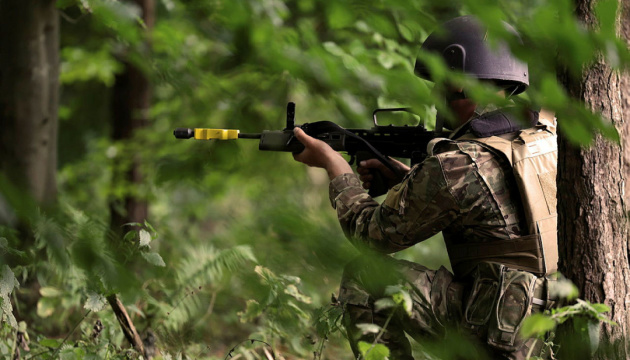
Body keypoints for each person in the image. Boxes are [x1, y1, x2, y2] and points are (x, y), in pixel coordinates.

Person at [293, 15, 558, 360]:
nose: (435, 93)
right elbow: (499, 213)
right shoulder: (543, 137)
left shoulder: (460, 163)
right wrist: (411, 181)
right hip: (548, 326)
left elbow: (373, 234)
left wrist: (334, 165)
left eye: (441, 82)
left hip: (499, 338)